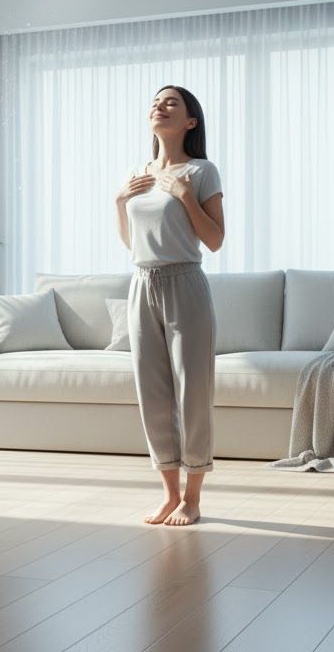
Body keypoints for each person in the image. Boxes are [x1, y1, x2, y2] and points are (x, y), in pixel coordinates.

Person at [114, 85, 225, 525]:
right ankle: (168, 493)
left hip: (185, 283)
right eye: (155, 102)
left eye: (170, 103)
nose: (159, 107)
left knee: (192, 392)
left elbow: (215, 240)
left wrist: (183, 195)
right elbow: (131, 243)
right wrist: (120, 201)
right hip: (142, 283)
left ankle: (193, 497)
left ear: (189, 122)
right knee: (152, 394)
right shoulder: (137, 173)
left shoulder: (201, 171)